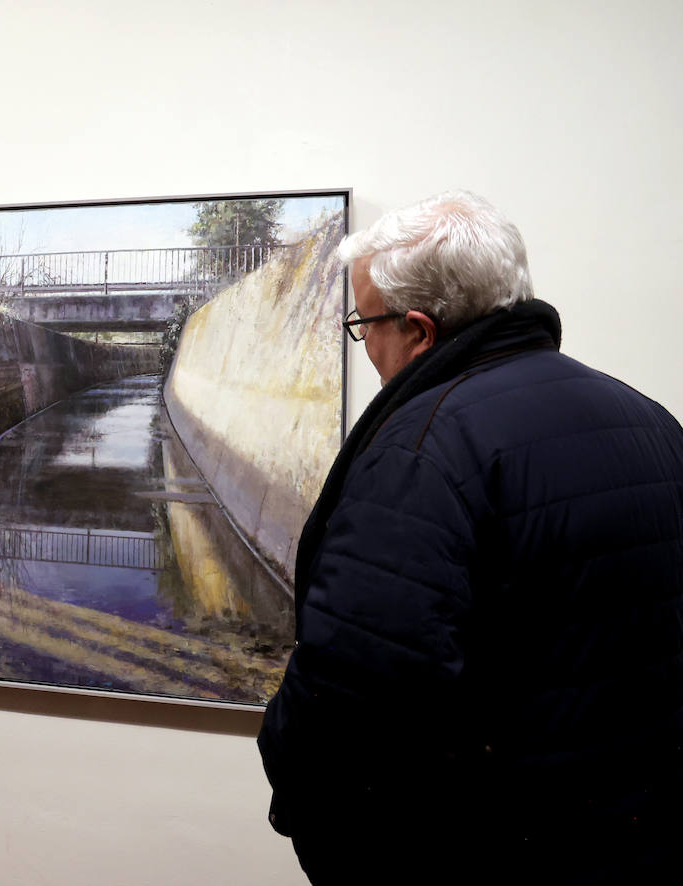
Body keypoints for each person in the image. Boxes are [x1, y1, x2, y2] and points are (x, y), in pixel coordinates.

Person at [257, 191, 683, 884]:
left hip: (494, 847)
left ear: (419, 331)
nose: (365, 346)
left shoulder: (425, 450)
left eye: (364, 326)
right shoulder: (650, 421)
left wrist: (294, 781)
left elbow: (356, 696)